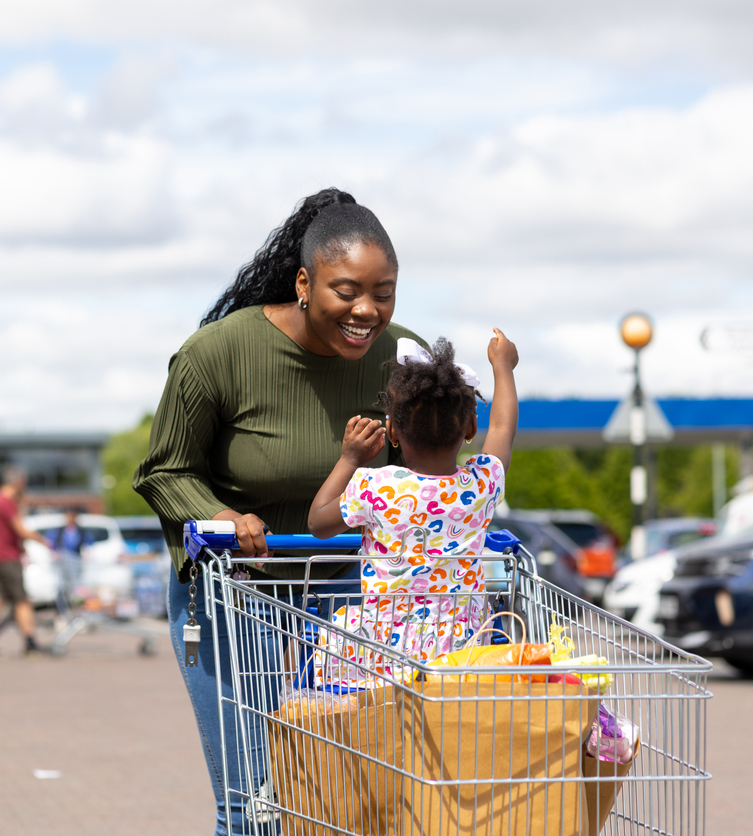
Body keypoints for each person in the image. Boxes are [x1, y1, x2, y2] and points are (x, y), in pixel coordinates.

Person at [133, 188, 424, 835]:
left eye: (384, 292)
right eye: (346, 290)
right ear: (303, 281)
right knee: (259, 802)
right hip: (242, 591)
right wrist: (222, 517)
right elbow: (163, 471)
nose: (366, 311)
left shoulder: (403, 357)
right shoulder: (217, 352)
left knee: (367, 799)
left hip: (356, 594)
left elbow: (440, 458)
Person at [306, 332, 520, 687]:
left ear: (392, 430)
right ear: (469, 427)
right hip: (459, 655)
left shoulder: (375, 486)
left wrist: (350, 459)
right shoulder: (481, 483)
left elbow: (318, 522)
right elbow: (502, 429)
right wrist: (503, 367)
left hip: (384, 655)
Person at [0, 464, 47, 655]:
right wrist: (42, 539)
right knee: (22, 600)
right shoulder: (6, 501)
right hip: (7, 558)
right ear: (17, 481)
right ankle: (30, 641)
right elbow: (19, 528)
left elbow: (10, 532)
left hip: (0, 556)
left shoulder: (0, 499)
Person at [46, 507, 87, 617]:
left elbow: (87, 544)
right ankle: (62, 613)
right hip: (62, 565)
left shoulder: (81, 531)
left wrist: (86, 552)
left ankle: (78, 613)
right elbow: (51, 543)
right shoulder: (59, 531)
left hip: (76, 565)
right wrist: (55, 553)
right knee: (62, 588)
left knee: (77, 588)